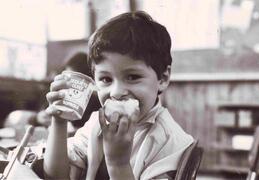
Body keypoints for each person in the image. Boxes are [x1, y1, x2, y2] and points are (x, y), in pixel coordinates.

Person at [44, 11, 194, 180]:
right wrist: (58, 122)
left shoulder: (171, 143)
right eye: (106, 79)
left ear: (163, 78)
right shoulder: (97, 122)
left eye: (132, 77)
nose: (116, 92)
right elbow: (56, 177)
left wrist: (118, 164)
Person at [36, 52, 101, 133]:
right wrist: (38, 117)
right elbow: (38, 117)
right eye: (68, 77)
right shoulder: (61, 94)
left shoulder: (95, 101)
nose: (70, 83)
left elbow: (90, 131)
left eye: (75, 80)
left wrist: (71, 130)